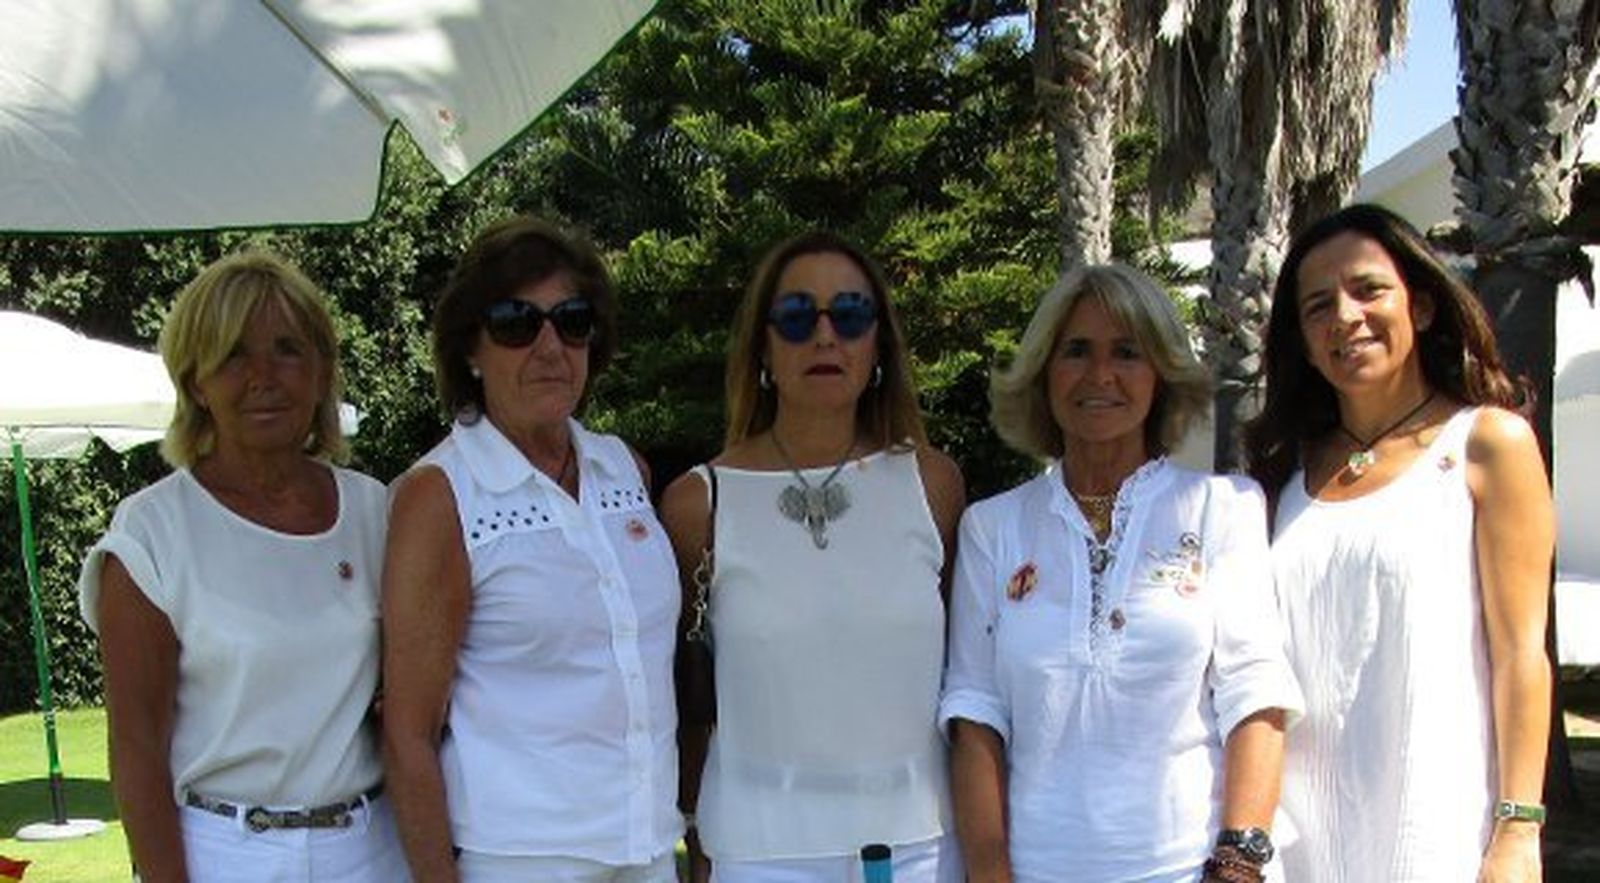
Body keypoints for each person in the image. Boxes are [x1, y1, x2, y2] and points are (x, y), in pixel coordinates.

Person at [941, 263, 1304, 883]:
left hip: (1191, 870)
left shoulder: (1225, 508)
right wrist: (990, 874)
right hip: (1035, 870)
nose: (1100, 375)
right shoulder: (992, 528)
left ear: (1161, 373)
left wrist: (1237, 866)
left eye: (1127, 353)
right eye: (1076, 351)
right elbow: (976, 714)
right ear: (1044, 373)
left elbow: (1257, 697)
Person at [1244, 203, 1554, 883]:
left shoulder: (1486, 444)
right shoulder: (1279, 473)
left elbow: (1520, 653)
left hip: (1434, 828)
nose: (1344, 317)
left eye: (1367, 289)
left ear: (1421, 306)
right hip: (1299, 839)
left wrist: (1518, 829)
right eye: (1318, 305)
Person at [78, 251, 408, 882]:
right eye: (232, 355)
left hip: (373, 850)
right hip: (225, 855)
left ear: (320, 373)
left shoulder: (378, 512)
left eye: (287, 349)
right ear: (196, 382)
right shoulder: (153, 532)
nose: (263, 376)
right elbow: (137, 750)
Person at [660, 231, 966, 883]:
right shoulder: (698, 503)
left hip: (918, 850)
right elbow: (683, 693)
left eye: (850, 314)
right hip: (758, 853)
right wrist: (689, 821)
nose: (825, 335)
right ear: (763, 347)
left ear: (877, 342)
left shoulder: (933, 486)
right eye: (798, 317)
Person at [381, 217, 681, 883]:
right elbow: (408, 733)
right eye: (518, 322)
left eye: (572, 320)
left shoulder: (623, 469)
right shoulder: (441, 495)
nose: (550, 345)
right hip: (522, 861)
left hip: (649, 848)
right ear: (471, 349)